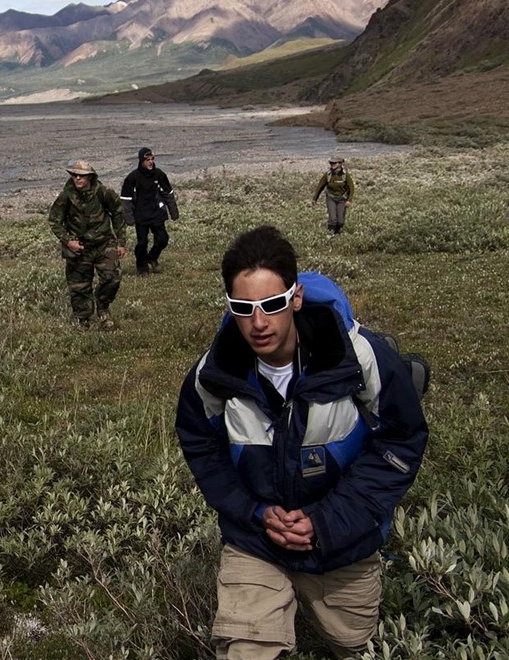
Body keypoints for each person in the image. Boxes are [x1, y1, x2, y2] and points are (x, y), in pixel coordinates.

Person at [175, 226, 428, 659]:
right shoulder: (212, 375)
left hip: (342, 542)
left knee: (355, 645)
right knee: (245, 651)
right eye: (243, 307)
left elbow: (401, 444)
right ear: (229, 306)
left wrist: (325, 522)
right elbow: (201, 445)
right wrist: (254, 513)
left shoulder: (361, 358)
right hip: (255, 539)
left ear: (295, 298)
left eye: (272, 304)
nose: (258, 322)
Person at [46, 158, 127, 330]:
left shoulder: (104, 192)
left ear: (90, 177)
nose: (77, 179)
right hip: (79, 248)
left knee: (112, 277)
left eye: (81, 176)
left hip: (104, 244)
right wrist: (68, 241)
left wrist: (121, 242)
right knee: (79, 286)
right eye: (74, 175)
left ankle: (103, 309)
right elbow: (54, 220)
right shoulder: (66, 196)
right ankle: (83, 319)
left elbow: (118, 214)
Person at [120, 147, 179, 276]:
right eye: (147, 160)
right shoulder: (132, 178)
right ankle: (142, 267)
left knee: (163, 239)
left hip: (157, 214)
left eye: (152, 159)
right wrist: (129, 218)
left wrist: (173, 212)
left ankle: (152, 257)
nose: (150, 162)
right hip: (141, 216)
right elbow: (126, 199)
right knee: (142, 243)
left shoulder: (159, 175)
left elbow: (168, 193)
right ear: (141, 161)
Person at [311, 156, 355, 235]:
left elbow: (351, 188)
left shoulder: (345, 175)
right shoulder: (328, 175)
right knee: (333, 219)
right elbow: (320, 186)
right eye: (331, 163)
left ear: (340, 164)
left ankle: (338, 232)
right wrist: (315, 199)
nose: (332, 164)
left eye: (334, 163)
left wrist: (349, 200)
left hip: (342, 199)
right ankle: (331, 233)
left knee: (340, 221)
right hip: (331, 198)